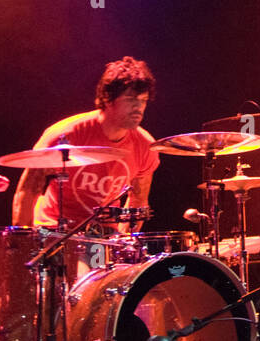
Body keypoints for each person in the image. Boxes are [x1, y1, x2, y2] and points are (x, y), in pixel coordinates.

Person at [12, 56, 161, 229]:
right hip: (53, 231)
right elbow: (28, 189)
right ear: (108, 98)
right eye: (130, 99)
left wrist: (124, 244)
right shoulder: (65, 135)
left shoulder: (145, 146)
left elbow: (138, 202)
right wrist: (24, 243)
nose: (138, 107)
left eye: (143, 100)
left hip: (103, 238)